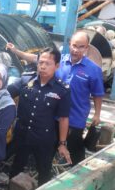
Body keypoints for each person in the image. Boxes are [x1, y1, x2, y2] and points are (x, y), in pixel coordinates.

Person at [6, 30, 105, 166]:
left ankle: (80, 174)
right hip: (53, 115)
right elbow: (37, 58)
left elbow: (97, 94)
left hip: (75, 117)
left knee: (75, 149)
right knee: (50, 148)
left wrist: (97, 114)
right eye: (74, 45)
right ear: (69, 44)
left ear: (87, 48)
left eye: (81, 47)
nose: (76, 50)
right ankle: (45, 171)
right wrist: (16, 51)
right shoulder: (60, 62)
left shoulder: (93, 70)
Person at [9, 47, 71, 186]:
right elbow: (6, 93)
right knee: (16, 168)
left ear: (56, 66)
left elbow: (63, 118)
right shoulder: (25, 80)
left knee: (44, 171)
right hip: (22, 136)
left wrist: (62, 144)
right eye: (40, 62)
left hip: (44, 139)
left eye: (47, 63)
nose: (42, 66)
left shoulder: (62, 90)